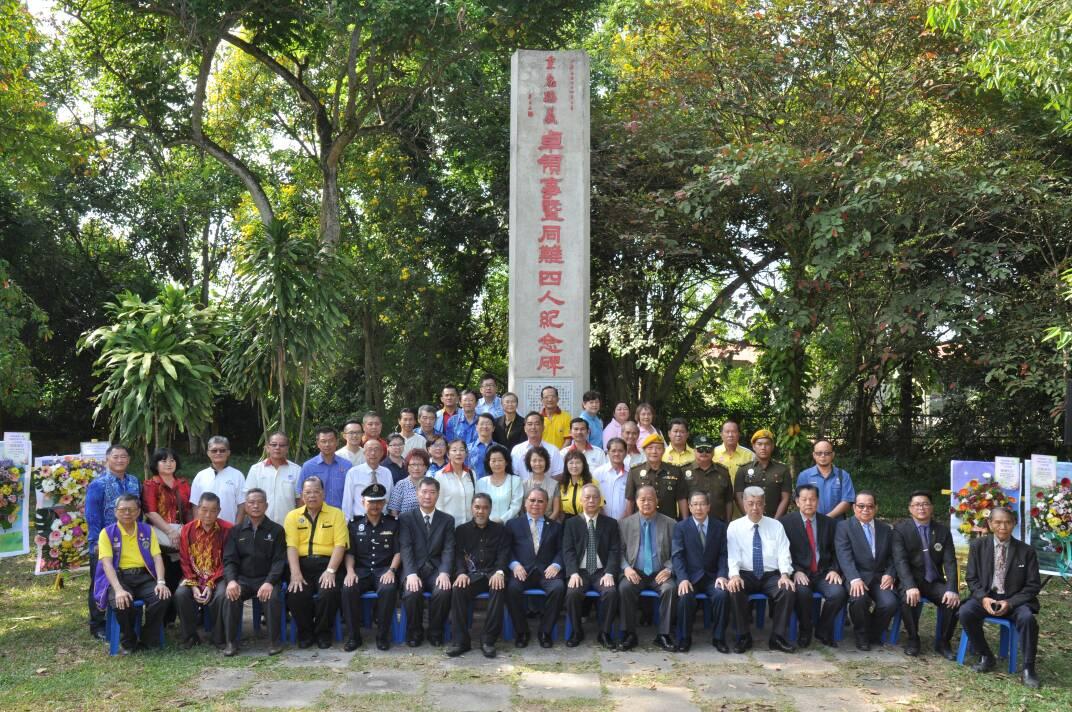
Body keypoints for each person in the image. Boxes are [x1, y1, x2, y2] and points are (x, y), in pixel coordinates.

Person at [960, 507, 1041, 688]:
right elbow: (971, 578)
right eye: (997, 522)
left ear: (1014, 524)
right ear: (990, 524)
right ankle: (986, 655)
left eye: (1007, 522)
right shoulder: (978, 546)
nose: (1002, 527)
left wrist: (1010, 603)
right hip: (987, 598)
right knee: (965, 612)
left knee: (1027, 619)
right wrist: (983, 598)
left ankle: (1028, 668)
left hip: (1014, 600)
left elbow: (1033, 585)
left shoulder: (1026, 551)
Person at [92, 494, 170, 654]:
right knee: (122, 601)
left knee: (162, 597)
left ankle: (148, 638)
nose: (127, 513)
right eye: (123, 510)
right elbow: (107, 564)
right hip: (119, 577)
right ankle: (128, 640)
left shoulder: (147, 530)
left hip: (144, 576)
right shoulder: (107, 533)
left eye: (131, 509)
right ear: (115, 512)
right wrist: (118, 589)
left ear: (138, 511)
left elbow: (157, 558)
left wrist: (161, 582)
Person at [726, 486, 796, 654]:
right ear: (744, 504)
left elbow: (783, 552)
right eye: (751, 503)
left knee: (787, 590)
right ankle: (744, 636)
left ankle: (777, 637)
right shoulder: (734, 527)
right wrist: (734, 575)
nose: (755, 508)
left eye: (759, 503)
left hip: (771, 575)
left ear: (765, 504)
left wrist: (785, 574)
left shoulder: (776, 526)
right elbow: (732, 554)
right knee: (735, 589)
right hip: (745, 574)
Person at [892, 490, 960, 659]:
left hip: (933, 580)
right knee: (908, 598)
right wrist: (909, 585)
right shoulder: (900, 530)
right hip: (910, 579)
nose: (921, 508)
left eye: (925, 504)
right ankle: (913, 639)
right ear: (910, 508)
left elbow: (950, 562)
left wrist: (952, 588)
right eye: (916, 505)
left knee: (952, 601)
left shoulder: (942, 531)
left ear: (932, 507)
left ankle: (943, 642)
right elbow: (900, 560)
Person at [284, 477, 349, 649]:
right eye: (307, 492)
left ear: (323, 493)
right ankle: (305, 633)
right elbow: (291, 546)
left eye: (316, 492)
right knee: (296, 593)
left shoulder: (336, 514)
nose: (312, 496)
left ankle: (323, 633)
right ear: (302, 495)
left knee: (328, 592)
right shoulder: (292, 516)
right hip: (301, 564)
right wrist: (295, 573)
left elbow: (340, 545)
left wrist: (331, 570)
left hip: (328, 563)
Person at [779, 484, 846, 648]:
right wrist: (795, 571)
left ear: (818, 501)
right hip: (800, 572)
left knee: (838, 593)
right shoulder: (785, 523)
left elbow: (838, 551)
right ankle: (805, 629)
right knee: (802, 593)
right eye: (804, 499)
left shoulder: (829, 523)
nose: (809, 503)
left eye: (812, 499)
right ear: (797, 502)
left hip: (824, 572)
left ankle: (823, 629)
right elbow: (781, 552)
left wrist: (834, 570)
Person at [85, 444, 141, 640]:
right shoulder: (98, 484)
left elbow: (139, 511)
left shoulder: (134, 481)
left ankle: (127, 619)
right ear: (107, 459)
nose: (120, 460)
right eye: (115, 456)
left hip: (130, 541)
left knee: (126, 579)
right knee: (99, 582)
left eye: (123, 456)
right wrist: (96, 543)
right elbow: (92, 516)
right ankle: (97, 624)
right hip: (104, 542)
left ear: (129, 460)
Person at [221, 488, 286, 656]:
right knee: (230, 596)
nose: (255, 506)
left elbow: (279, 561)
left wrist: (269, 582)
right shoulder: (236, 531)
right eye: (251, 502)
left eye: (259, 502)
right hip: (243, 579)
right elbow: (229, 560)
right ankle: (231, 643)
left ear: (266, 505)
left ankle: (274, 642)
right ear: (246, 506)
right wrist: (231, 581)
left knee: (272, 597)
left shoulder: (277, 530)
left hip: (266, 579)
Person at [446, 493, 510, 658]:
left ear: (490, 509)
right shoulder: (461, 530)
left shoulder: (501, 530)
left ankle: (488, 640)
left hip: (492, 574)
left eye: (485, 508)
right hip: (471, 575)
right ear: (471, 509)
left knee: (499, 587)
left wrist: (499, 572)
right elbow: (458, 555)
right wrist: (461, 573)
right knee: (458, 589)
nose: (481, 511)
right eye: (477, 507)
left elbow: (504, 554)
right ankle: (461, 641)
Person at [835, 491, 897, 651]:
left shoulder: (886, 529)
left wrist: (890, 573)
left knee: (889, 603)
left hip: (879, 577)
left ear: (876, 508)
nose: (865, 510)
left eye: (870, 506)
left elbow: (894, 556)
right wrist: (854, 578)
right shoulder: (844, 527)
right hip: (856, 575)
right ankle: (861, 634)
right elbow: (844, 555)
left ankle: (872, 633)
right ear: (854, 507)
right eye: (861, 506)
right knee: (859, 599)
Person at [341, 483, 400, 651]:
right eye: (371, 502)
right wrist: (350, 572)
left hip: (384, 570)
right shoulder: (354, 524)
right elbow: (350, 553)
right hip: (361, 571)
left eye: (379, 501)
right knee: (348, 588)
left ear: (384, 502)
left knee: (388, 589)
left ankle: (382, 636)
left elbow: (398, 552)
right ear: (363, 502)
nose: (375, 505)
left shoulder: (393, 524)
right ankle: (354, 637)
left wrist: (392, 571)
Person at [504, 488, 565, 649]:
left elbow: (562, 550)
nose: (535, 504)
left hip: (547, 572)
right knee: (511, 589)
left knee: (558, 588)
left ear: (547, 504)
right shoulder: (512, 524)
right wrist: (514, 565)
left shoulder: (556, 527)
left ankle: (545, 631)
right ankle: (522, 632)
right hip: (522, 571)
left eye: (540, 501)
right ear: (525, 503)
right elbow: (506, 550)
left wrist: (556, 564)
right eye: (532, 500)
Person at [618, 485, 677, 651]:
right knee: (624, 588)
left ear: (657, 501)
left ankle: (664, 635)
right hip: (635, 572)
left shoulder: (670, 523)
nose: (646, 503)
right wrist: (626, 568)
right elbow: (617, 551)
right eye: (642, 499)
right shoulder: (624, 524)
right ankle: (629, 634)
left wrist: (669, 569)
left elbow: (678, 552)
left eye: (650, 499)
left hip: (661, 572)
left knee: (670, 589)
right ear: (636, 501)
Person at [562, 483, 620, 649]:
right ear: (581, 500)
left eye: (595, 497)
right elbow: (568, 550)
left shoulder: (610, 523)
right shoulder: (571, 523)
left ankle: (604, 633)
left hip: (602, 571)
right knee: (572, 593)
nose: (591, 501)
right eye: (587, 497)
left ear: (600, 500)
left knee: (610, 592)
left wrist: (609, 573)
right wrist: (573, 573)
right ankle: (577, 631)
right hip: (580, 571)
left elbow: (615, 550)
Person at [398, 477, 455, 646]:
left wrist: (444, 572)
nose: (428, 496)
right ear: (417, 494)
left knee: (443, 590)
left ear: (438, 495)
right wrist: (410, 573)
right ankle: (414, 632)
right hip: (414, 568)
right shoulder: (406, 518)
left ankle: (435, 632)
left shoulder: (447, 520)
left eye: (432, 492)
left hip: (436, 569)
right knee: (412, 592)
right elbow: (406, 547)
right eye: (424, 492)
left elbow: (448, 549)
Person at [672, 491, 730, 653]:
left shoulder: (720, 527)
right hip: (690, 577)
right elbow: (677, 556)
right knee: (685, 596)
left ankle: (719, 638)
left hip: (712, 577)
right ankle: (685, 638)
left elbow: (724, 554)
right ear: (689, 507)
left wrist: (722, 575)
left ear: (709, 507)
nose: (699, 508)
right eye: (695, 504)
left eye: (702, 504)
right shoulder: (681, 527)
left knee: (722, 595)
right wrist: (683, 578)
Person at [175, 492, 232, 649]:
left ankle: (218, 637)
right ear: (198, 509)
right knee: (181, 594)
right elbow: (184, 560)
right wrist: (193, 585)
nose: (208, 515)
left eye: (213, 510)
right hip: (193, 575)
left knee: (222, 595)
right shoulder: (187, 529)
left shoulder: (228, 529)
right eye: (204, 509)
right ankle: (190, 636)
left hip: (219, 576)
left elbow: (227, 561)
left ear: (219, 511)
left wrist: (210, 584)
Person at [141, 447, 191, 625]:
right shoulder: (151, 484)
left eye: (172, 460)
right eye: (163, 460)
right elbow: (150, 512)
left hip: (181, 536)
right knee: (163, 575)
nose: (169, 464)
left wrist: (188, 532)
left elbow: (188, 510)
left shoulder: (183, 483)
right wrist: (170, 532)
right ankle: (160, 620)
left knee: (178, 573)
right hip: (159, 537)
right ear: (156, 464)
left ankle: (172, 617)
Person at [244, 432, 301, 526]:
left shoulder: (296, 470)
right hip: (260, 525)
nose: (277, 448)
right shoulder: (256, 469)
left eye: (282, 445)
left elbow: (299, 499)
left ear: (287, 448)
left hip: (288, 524)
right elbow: (247, 498)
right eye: (274, 445)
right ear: (267, 447)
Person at [625, 435, 687, 520]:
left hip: (668, 521)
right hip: (642, 521)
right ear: (644, 451)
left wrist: (685, 521)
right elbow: (630, 500)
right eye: (650, 448)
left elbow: (681, 498)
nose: (654, 451)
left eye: (658, 448)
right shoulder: (635, 472)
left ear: (664, 451)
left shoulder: (675, 471)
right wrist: (629, 522)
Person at [734, 429, 790, 518]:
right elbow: (739, 497)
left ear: (772, 446)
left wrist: (776, 521)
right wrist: (749, 518)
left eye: (767, 444)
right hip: (750, 519)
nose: (763, 447)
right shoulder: (743, 470)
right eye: (759, 444)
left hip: (775, 519)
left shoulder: (783, 470)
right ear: (754, 446)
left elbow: (786, 498)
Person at [191, 436, 246, 525]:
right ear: (208, 453)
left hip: (229, 528)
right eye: (214, 450)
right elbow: (195, 504)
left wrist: (236, 528)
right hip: (205, 529)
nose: (218, 453)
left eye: (222, 450)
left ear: (228, 452)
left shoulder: (237, 476)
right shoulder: (200, 476)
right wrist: (197, 527)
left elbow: (242, 505)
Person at [796, 438, 856, 519]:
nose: (823, 456)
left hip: (837, 523)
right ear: (814, 455)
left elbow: (847, 501)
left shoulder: (843, 475)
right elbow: (800, 500)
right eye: (819, 453)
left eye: (827, 453)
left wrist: (826, 518)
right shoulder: (804, 476)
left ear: (833, 455)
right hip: (811, 522)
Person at [681, 435, 734, 523]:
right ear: (694, 451)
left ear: (713, 452)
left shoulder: (723, 472)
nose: (704, 452)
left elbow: (728, 500)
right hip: (692, 523)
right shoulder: (684, 471)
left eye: (708, 449)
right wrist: (685, 523)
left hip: (719, 523)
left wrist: (728, 523)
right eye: (700, 449)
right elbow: (682, 499)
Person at [340, 439, 394, 521]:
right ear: (364, 453)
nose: (373, 453)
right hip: (359, 520)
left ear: (382, 453)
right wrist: (347, 522)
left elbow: (390, 499)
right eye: (369, 449)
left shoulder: (387, 472)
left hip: (382, 520)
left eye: (376, 449)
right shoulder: (353, 472)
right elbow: (347, 501)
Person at [299, 426, 351, 509]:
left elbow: (351, 494)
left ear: (337, 442)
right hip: (316, 514)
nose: (327, 444)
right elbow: (301, 494)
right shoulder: (308, 467)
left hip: (341, 514)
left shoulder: (347, 466)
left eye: (331, 441)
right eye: (323, 441)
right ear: (318, 444)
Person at [474, 444, 523, 523]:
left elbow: (516, 506)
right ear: (488, 463)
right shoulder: (481, 482)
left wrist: (501, 520)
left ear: (506, 462)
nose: (497, 464)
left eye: (500, 460)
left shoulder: (515, 480)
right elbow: (478, 506)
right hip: (486, 525)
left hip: (509, 525)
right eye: (493, 461)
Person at [510, 411, 565, 480]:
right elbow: (514, 475)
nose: (533, 427)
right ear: (525, 428)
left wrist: (546, 485)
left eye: (537, 424)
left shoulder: (553, 450)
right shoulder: (517, 450)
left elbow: (558, 474)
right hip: (522, 486)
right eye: (530, 424)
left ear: (543, 428)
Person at [435, 439, 477, 527]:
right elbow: (438, 505)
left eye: (462, 450)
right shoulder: (440, 475)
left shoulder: (471, 473)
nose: (458, 453)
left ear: (466, 453)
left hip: (470, 526)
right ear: (448, 454)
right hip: (450, 527)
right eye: (454, 450)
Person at [558, 450, 602, 522]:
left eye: (578, 463)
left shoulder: (592, 483)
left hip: (587, 519)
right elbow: (560, 510)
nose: (574, 466)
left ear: (584, 465)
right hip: (567, 521)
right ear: (566, 466)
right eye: (571, 463)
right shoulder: (562, 484)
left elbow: (599, 506)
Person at [520, 446, 562, 520]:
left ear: (546, 462)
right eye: (534, 461)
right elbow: (521, 510)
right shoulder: (523, 485)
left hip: (549, 523)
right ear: (529, 463)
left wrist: (546, 524)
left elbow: (556, 511)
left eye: (541, 460)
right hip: (527, 524)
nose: (538, 463)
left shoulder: (554, 484)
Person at [594, 438, 630, 521]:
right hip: (602, 520)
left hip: (626, 521)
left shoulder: (630, 473)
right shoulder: (598, 473)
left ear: (626, 453)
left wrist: (625, 519)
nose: (617, 454)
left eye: (620, 451)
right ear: (608, 453)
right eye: (613, 451)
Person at [713, 420, 754, 493]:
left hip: (744, 496)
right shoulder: (713, 453)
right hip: (720, 496)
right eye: (727, 432)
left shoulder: (749, 455)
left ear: (739, 434)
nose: (730, 435)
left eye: (734, 431)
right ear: (721, 434)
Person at [388, 448, 430, 517]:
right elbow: (393, 511)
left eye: (420, 464)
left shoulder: (431, 483)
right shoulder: (401, 485)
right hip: (405, 523)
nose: (416, 468)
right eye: (413, 464)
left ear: (426, 467)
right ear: (407, 467)